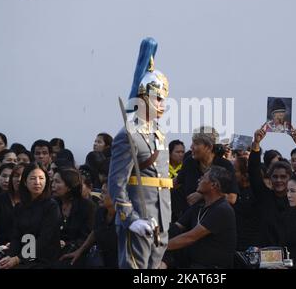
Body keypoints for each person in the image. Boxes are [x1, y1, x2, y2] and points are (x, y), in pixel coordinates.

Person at [108, 37, 172, 269]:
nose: (163, 103)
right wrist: (130, 219)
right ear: (143, 97)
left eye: (165, 98)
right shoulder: (128, 135)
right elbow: (116, 183)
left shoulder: (159, 134)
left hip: (161, 217)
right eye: (158, 98)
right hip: (139, 215)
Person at [164, 166, 237, 269]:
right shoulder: (199, 206)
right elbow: (176, 227)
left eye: (203, 178)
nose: (199, 179)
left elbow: (190, 237)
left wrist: (160, 247)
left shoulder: (222, 209)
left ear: (213, 185)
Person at [0, 162, 61, 269]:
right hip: (22, 255)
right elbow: (16, 237)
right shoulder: (19, 207)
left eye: (41, 178)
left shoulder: (52, 206)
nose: (37, 182)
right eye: (33, 178)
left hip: (43, 258)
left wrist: (18, 259)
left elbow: (44, 239)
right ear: (25, 182)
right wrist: (10, 256)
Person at [60, 182, 118, 268]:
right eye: (101, 192)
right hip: (101, 259)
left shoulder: (122, 218)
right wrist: (79, 251)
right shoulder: (100, 212)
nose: (101, 196)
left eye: (104, 193)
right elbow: (95, 232)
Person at [51, 168, 95, 267]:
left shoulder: (87, 206)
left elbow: (86, 236)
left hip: (78, 252)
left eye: (57, 182)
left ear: (69, 186)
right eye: (52, 181)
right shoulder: (52, 203)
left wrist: (67, 245)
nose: (53, 185)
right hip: (53, 249)